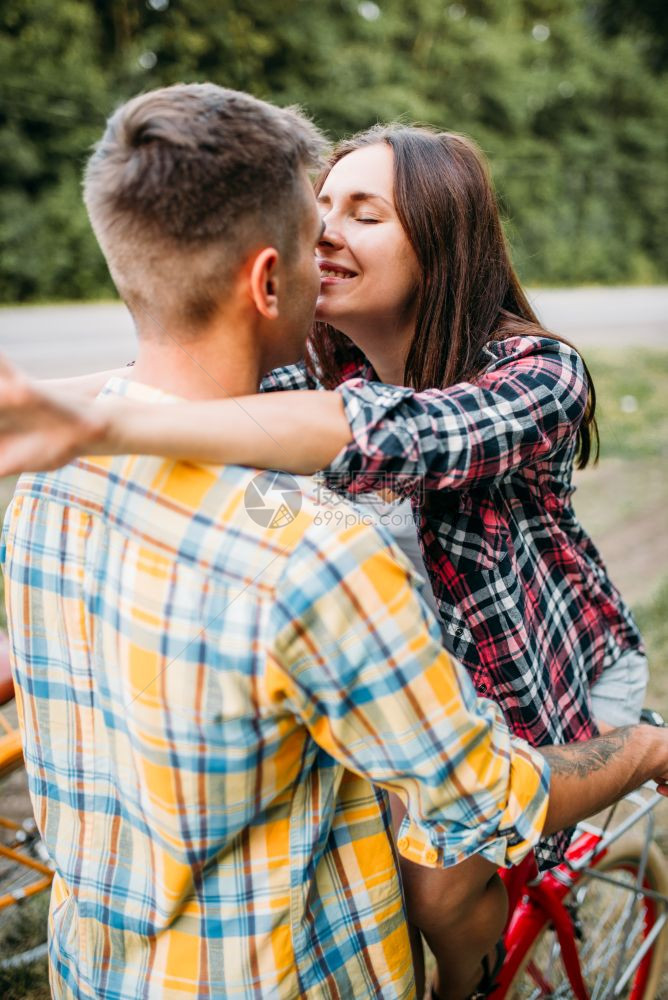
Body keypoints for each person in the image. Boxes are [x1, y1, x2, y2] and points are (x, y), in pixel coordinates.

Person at [0, 94, 661, 1000]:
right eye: (320, 212)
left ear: (441, 237)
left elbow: (402, 438)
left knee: (433, 885)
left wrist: (83, 423)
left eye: (365, 213)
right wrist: (50, 408)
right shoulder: (312, 362)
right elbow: (173, 395)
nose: (326, 235)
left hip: (532, 684)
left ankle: (475, 982)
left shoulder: (539, 374)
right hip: (401, 666)